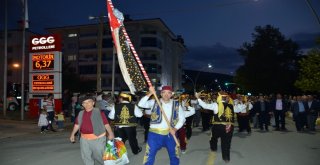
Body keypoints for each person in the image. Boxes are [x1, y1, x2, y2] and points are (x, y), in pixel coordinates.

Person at [138, 86, 186, 165]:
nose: (166, 94)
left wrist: (175, 129)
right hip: (154, 134)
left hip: (170, 134)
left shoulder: (176, 104)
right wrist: (150, 93)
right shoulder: (154, 102)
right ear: (161, 94)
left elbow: (182, 119)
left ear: (171, 94)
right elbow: (141, 104)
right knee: (149, 155)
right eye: (164, 92)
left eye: (169, 93)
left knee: (174, 155)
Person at [69, 94, 115, 165]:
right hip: (84, 139)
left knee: (100, 156)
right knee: (86, 157)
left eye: (89, 102)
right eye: (85, 102)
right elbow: (77, 125)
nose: (87, 104)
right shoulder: (81, 113)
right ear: (82, 105)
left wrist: (111, 133)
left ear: (93, 103)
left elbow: (106, 124)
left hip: (98, 138)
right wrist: (72, 134)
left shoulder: (99, 112)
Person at [195, 91, 235, 163]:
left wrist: (198, 98)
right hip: (229, 127)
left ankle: (214, 148)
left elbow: (205, 106)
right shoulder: (232, 105)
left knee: (213, 138)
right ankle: (226, 158)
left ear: (219, 97)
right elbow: (240, 109)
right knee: (226, 142)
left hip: (218, 126)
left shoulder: (216, 105)